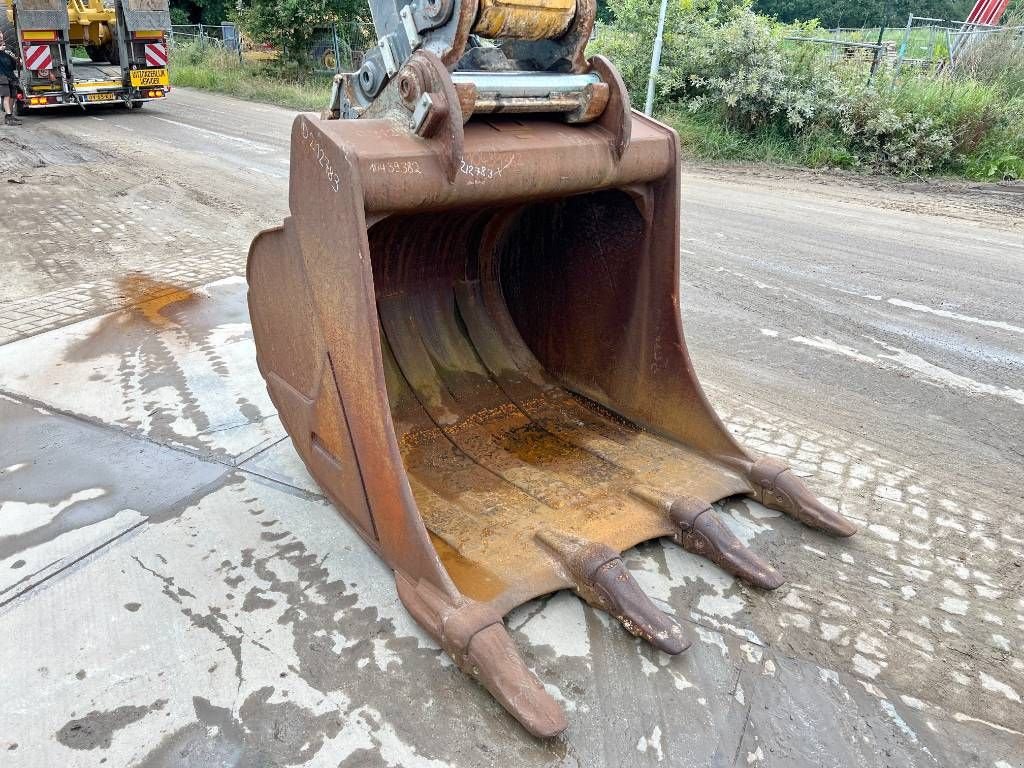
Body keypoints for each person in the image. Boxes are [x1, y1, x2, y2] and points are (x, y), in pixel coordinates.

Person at [0, 36, 22, 126]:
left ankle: (10, 116)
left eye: (1, 37)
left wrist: (18, 61)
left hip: (11, 75)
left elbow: (14, 63)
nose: (1, 38)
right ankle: (8, 116)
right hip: (1, 76)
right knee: (6, 96)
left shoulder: (9, 49)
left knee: (13, 95)